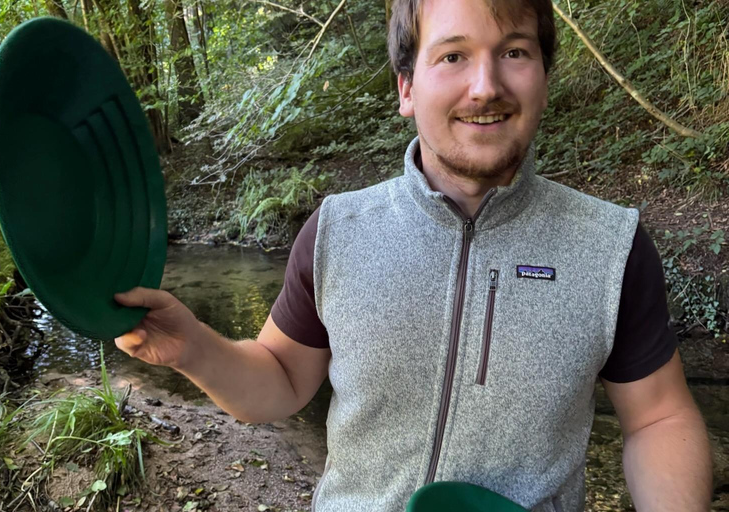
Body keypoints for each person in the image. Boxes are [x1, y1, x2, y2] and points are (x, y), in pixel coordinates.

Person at [114, 0, 713, 510]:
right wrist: (192, 347)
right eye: (453, 56)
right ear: (407, 87)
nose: (486, 86)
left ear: (543, 76)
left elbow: (659, 418)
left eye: (514, 51)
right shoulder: (337, 232)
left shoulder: (610, 247)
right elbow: (281, 381)